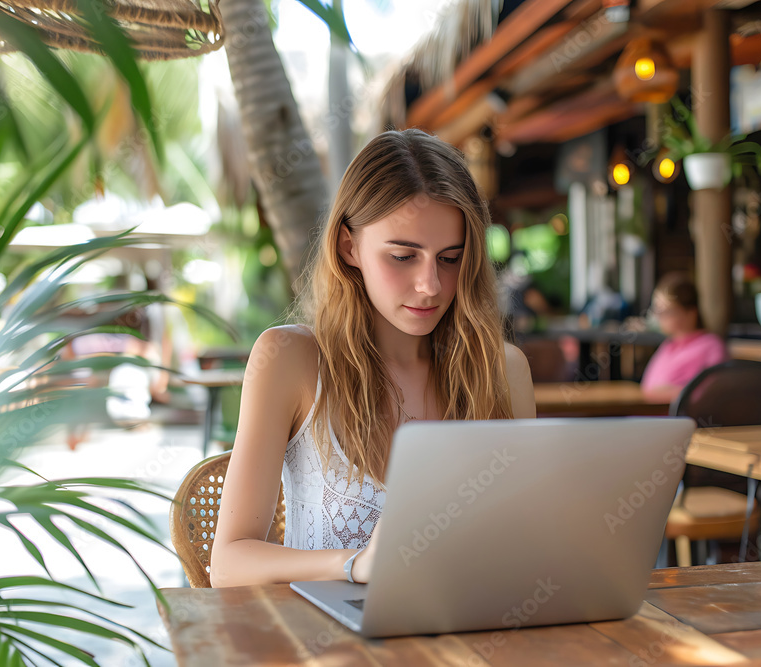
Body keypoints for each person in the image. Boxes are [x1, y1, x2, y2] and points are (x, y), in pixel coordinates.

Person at [210, 129, 536, 588]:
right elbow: (228, 564)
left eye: (450, 258)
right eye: (403, 256)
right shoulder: (291, 361)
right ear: (349, 246)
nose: (432, 285)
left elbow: (526, 540)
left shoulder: (501, 370)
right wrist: (355, 565)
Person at [640, 272, 728, 403]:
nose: (660, 317)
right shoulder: (669, 345)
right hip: (652, 416)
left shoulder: (711, 345)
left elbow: (712, 392)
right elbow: (647, 387)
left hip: (681, 419)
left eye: (667, 311)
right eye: (657, 311)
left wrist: (666, 393)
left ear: (691, 313)